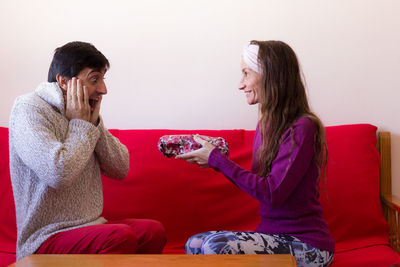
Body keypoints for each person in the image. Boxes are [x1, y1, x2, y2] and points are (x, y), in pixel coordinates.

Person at [176, 40, 334, 267]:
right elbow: (259, 184)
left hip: (308, 246)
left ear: (270, 76)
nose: (241, 84)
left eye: (246, 74)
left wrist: (217, 160)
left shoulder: (302, 127)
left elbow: (272, 193)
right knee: (195, 243)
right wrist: (214, 157)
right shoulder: (266, 125)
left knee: (215, 246)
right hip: (272, 237)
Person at [9, 41, 166, 261]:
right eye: (95, 79)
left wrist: (94, 124)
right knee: (120, 236)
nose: (103, 90)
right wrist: (81, 126)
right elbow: (58, 174)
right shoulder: (29, 108)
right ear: (64, 82)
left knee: (152, 231)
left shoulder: (84, 112)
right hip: (44, 237)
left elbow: (120, 168)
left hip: (90, 227)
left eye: (103, 79)